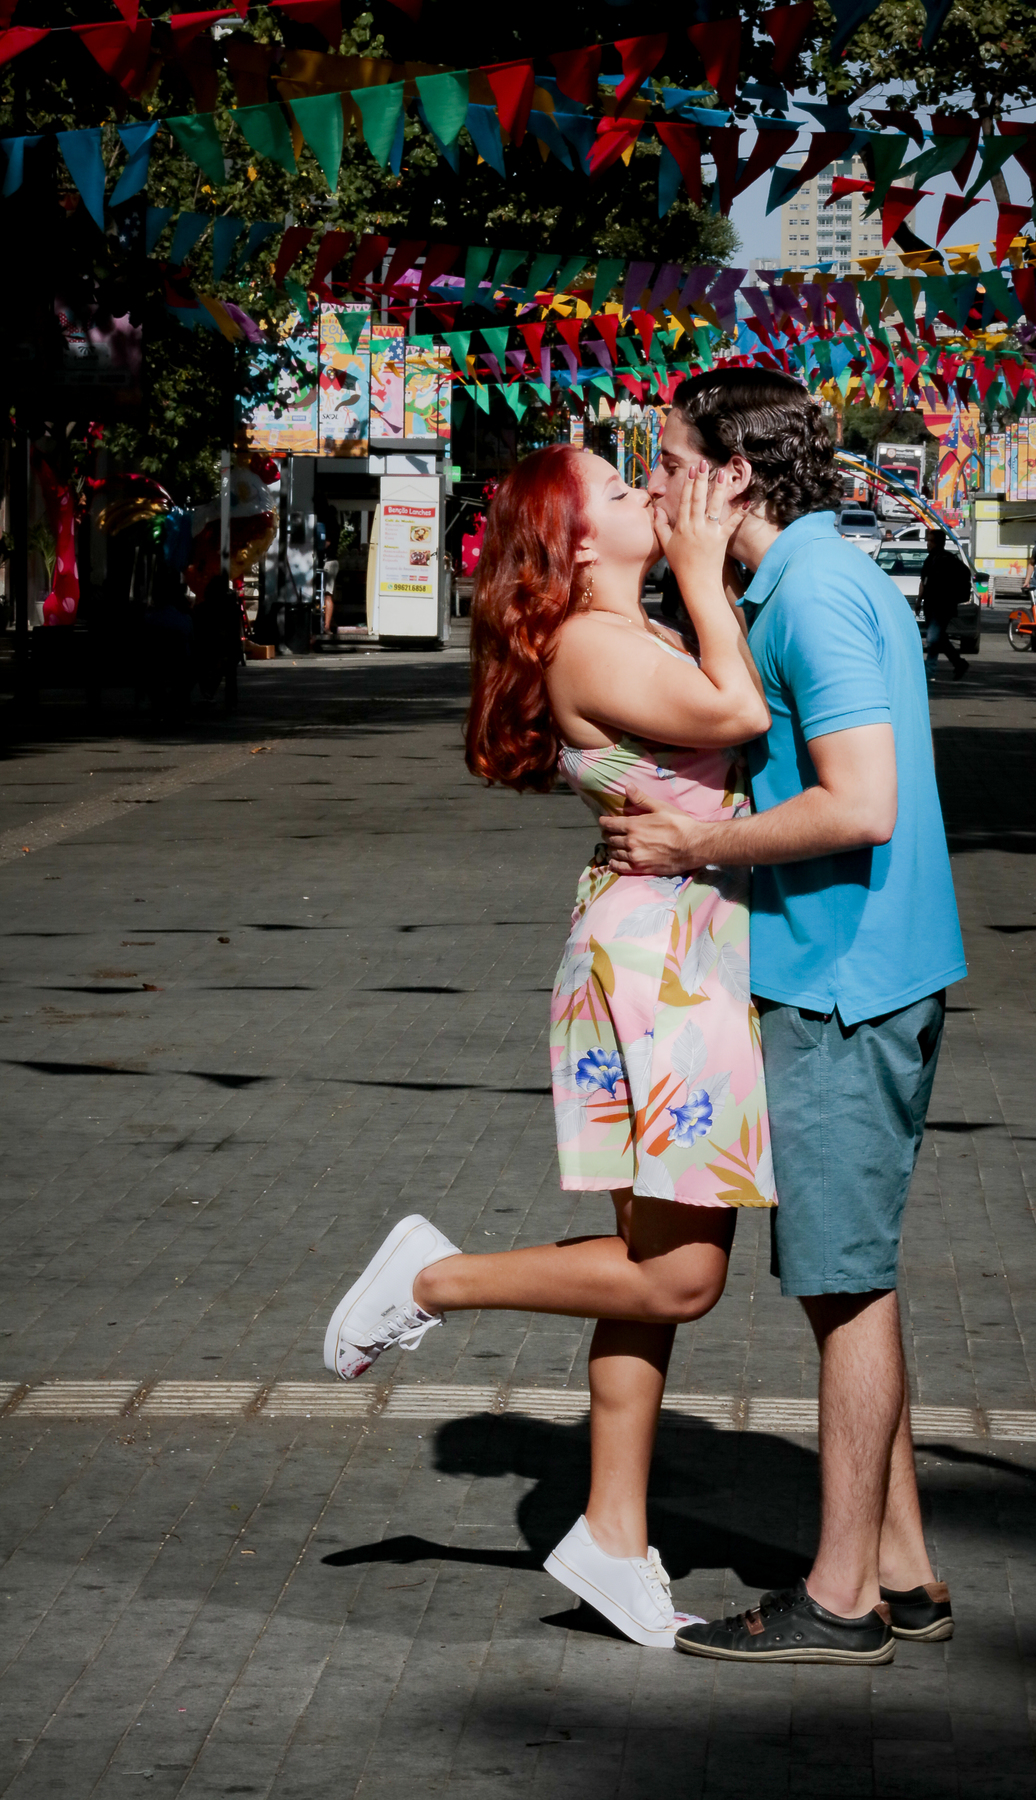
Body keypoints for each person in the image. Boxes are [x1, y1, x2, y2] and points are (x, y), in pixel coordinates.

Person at [324, 443, 776, 1649]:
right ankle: (433, 1277)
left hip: (664, 954)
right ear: (573, 544)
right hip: (661, 976)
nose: (649, 498)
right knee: (681, 1277)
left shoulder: (629, 635)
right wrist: (707, 574)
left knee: (646, 1271)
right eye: (623, 494)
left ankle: (614, 1536)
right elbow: (739, 715)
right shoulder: (597, 642)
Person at [602, 368, 967, 1666]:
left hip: (846, 985)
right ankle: (904, 1572)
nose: (651, 485)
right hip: (850, 974)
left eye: (665, 461)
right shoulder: (808, 576)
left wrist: (702, 847)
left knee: (846, 1286)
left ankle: (843, 1602)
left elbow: (859, 802)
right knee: (845, 1284)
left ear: (729, 476)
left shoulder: (810, 589)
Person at [919, 528, 970, 680]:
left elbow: (963, 576)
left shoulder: (947, 560)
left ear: (939, 543)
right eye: (927, 540)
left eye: (931, 541)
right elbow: (924, 582)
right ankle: (959, 663)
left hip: (942, 607)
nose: (928, 544)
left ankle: (929, 671)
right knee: (939, 638)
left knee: (934, 638)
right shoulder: (930, 559)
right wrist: (919, 600)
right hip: (931, 605)